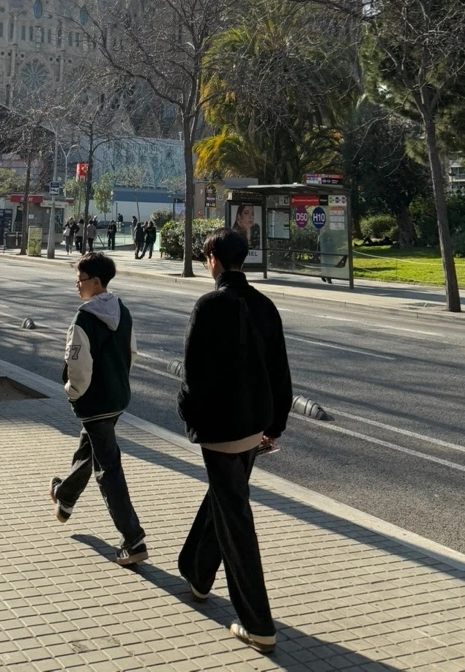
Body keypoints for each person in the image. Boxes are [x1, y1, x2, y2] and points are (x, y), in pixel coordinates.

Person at [177, 228, 292, 654]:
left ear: (213, 259)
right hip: (254, 426)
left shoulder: (209, 305)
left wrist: (189, 416)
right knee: (226, 497)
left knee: (235, 516)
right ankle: (196, 570)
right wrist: (275, 425)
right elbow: (280, 371)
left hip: (220, 427)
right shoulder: (265, 305)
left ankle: (257, 623)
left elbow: (192, 373)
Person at [49, 251, 147, 566]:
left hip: (94, 402)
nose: (76, 284)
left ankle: (133, 539)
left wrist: (73, 392)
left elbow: (77, 364)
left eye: (79, 279)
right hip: (117, 398)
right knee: (90, 444)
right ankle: (65, 497)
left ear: (94, 281)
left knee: (108, 469)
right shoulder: (123, 311)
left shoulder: (85, 318)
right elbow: (132, 353)